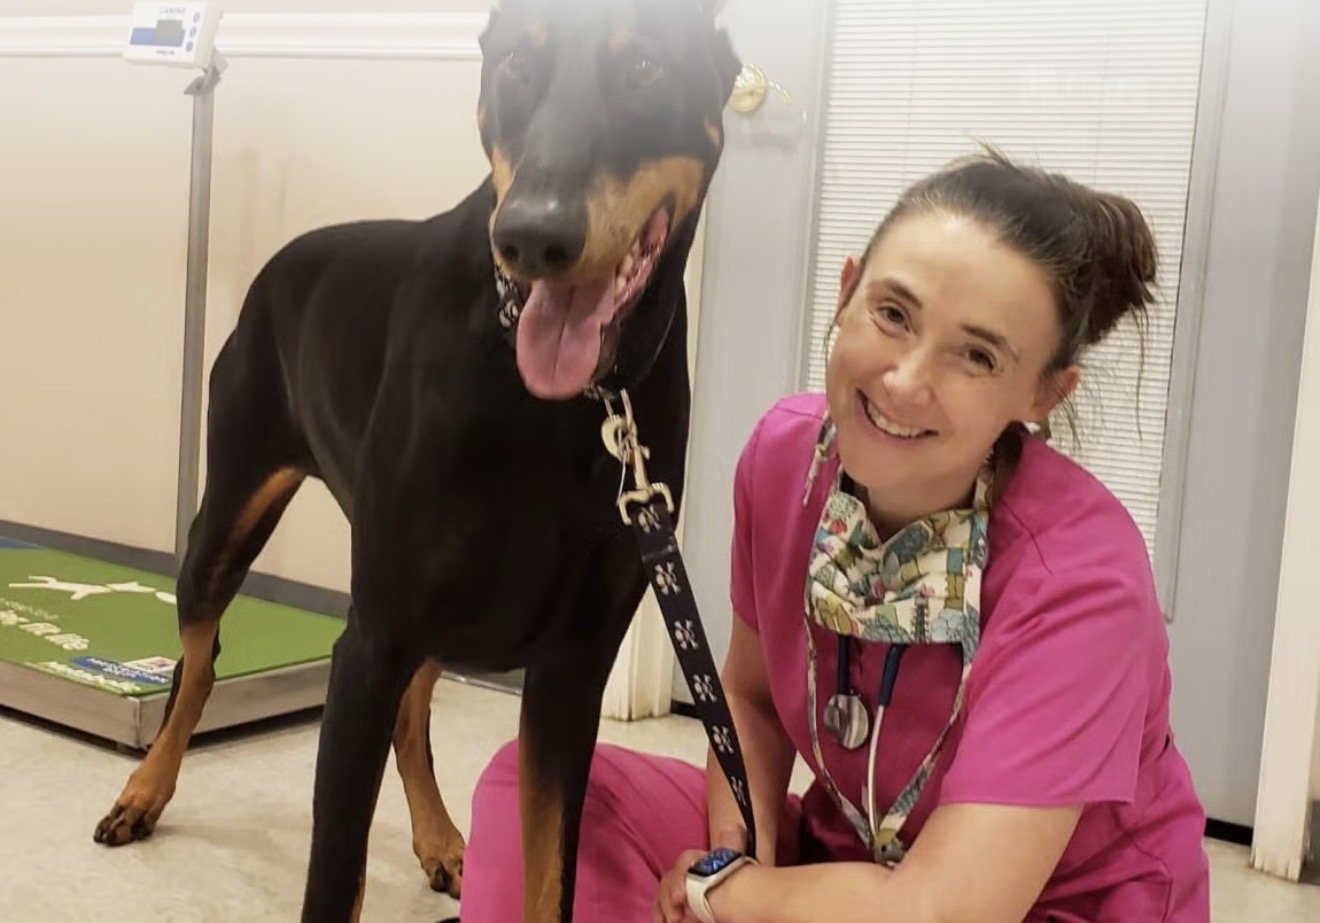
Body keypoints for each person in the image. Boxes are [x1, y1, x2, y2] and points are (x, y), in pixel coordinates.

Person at [459, 149, 1210, 922]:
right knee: (539, 794)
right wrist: (736, 851)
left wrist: (732, 894)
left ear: (1042, 393)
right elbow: (749, 699)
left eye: (977, 355)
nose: (905, 380)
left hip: (1036, 904)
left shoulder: (1084, 579)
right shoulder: (784, 459)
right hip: (848, 862)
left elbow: (945, 909)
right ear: (846, 291)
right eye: (893, 314)